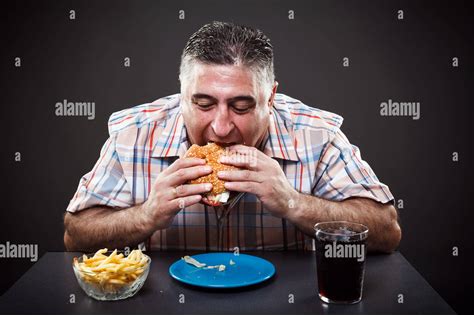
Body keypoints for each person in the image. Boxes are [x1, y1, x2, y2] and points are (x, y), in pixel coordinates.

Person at [64, 21, 401, 253]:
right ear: (182, 96)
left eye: (241, 106)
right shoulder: (133, 135)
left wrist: (293, 202)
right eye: (203, 104)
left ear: (270, 98)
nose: (221, 127)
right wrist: (146, 215)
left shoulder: (316, 135)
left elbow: (387, 231)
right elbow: (76, 233)